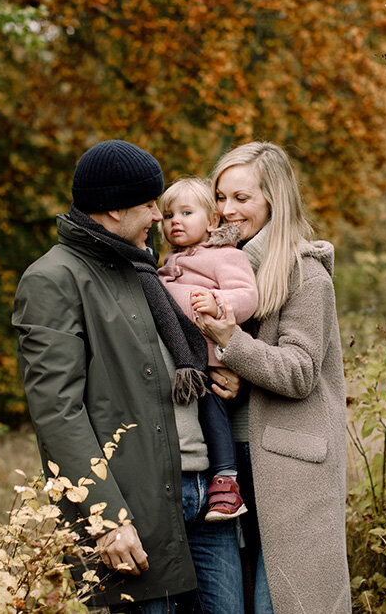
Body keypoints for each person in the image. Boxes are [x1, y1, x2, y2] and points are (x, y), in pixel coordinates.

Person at [11, 139, 243, 613]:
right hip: (136, 509)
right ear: (115, 211)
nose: (159, 216)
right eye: (148, 205)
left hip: (204, 494)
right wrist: (108, 518)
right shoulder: (53, 279)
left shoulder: (145, 268)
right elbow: (58, 414)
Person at [194, 142, 351, 614]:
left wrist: (231, 342)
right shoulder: (221, 268)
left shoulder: (305, 275)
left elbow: (300, 372)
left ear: (274, 200)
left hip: (291, 466)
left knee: (281, 601)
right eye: (220, 197)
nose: (226, 210)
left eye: (241, 198)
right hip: (228, 460)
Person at [157, 177, 259, 521]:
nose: (176, 221)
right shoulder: (167, 262)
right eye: (169, 214)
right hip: (185, 360)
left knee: (214, 415)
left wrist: (217, 302)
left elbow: (247, 296)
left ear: (212, 221)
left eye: (187, 212)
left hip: (213, 358)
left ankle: (227, 482)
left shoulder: (224, 257)